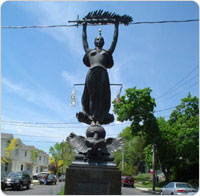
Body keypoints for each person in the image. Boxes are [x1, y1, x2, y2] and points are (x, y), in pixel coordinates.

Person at [76, 21, 119, 125]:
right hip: (92, 72)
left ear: (103, 42)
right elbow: (84, 40)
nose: (99, 41)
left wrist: (116, 26)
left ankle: (100, 118)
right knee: (91, 96)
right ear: (94, 41)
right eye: (97, 39)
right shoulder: (90, 52)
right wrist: (84, 26)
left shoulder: (106, 53)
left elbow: (114, 41)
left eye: (101, 40)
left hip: (103, 73)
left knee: (101, 95)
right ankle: (91, 118)